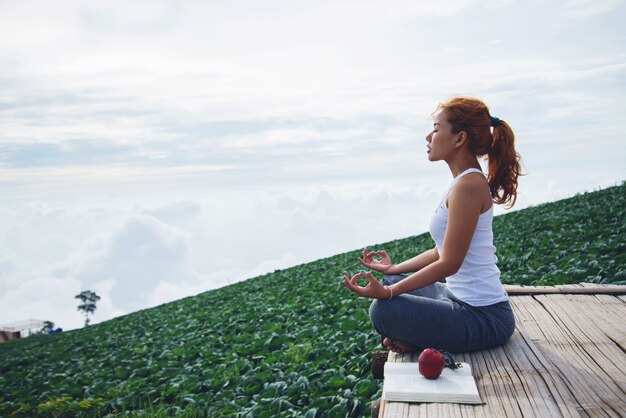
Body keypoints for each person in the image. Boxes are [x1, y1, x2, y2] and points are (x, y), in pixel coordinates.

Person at [343, 97, 521, 354]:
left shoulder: (468, 186)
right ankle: (418, 335)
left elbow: (450, 263)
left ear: (460, 139)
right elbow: (441, 251)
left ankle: (416, 337)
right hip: (456, 299)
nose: (429, 136)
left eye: (437, 128)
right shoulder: (462, 181)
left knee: (383, 310)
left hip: (483, 318)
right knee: (391, 278)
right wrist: (393, 268)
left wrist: (390, 293)